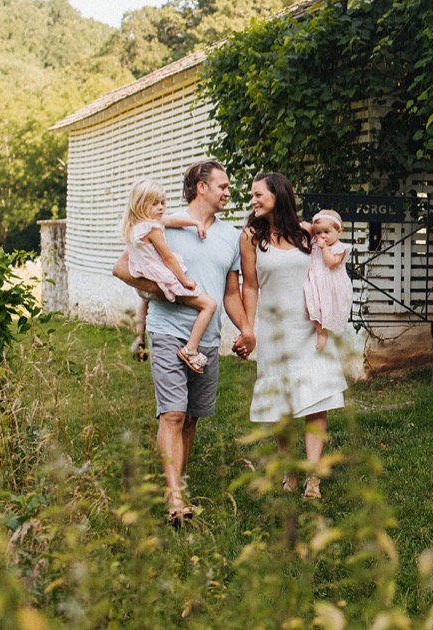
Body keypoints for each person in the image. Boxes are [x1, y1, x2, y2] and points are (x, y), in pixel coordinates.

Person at [113, 160, 254, 524]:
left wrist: (246, 329)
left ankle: (174, 485)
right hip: (168, 329)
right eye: (222, 186)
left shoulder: (230, 236)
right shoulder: (163, 224)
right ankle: (175, 499)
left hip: (207, 336)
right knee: (172, 413)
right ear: (201, 188)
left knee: (190, 419)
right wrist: (160, 290)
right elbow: (123, 268)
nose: (228, 192)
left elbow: (231, 294)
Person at [237, 172, 347, 500]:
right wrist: (248, 328)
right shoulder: (250, 237)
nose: (254, 200)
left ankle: (314, 477)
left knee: (317, 399)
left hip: (308, 323)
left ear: (279, 195)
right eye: (252, 196)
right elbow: (251, 285)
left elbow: (333, 239)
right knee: (281, 404)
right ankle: (288, 468)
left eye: (259, 194)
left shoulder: (305, 233)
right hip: (274, 329)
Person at [121, 178, 217, 374]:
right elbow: (168, 258)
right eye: (155, 203)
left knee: (144, 302)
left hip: (145, 279)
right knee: (209, 305)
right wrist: (185, 280)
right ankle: (190, 349)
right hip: (166, 278)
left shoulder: (135, 226)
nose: (161, 207)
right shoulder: (152, 229)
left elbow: (170, 220)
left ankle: (140, 337)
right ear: (140, 204)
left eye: (163, 202)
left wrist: (195, 221)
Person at [303, 209, 353, 350]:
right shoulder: (316, 242)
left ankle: (324, 333)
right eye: (318, 232)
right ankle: (320, 331)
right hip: (315, 281)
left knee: (327, 307)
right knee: (311, 306)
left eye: (326, 232)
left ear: (339, 232)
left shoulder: (339, 248)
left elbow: (332, 263)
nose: (322, 236)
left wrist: (324, 248)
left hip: (331, 284)